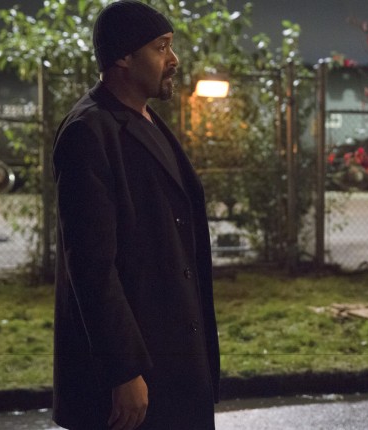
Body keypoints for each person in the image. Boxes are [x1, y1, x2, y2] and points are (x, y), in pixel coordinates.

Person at [51, 1, 219, 429]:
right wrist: (123, 370)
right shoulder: (89, 131)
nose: (173, 59)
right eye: (161, 47)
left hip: (174, 360)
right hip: (134, 377)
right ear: (124, 57)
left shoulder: (146, 119)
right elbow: (91, 265)